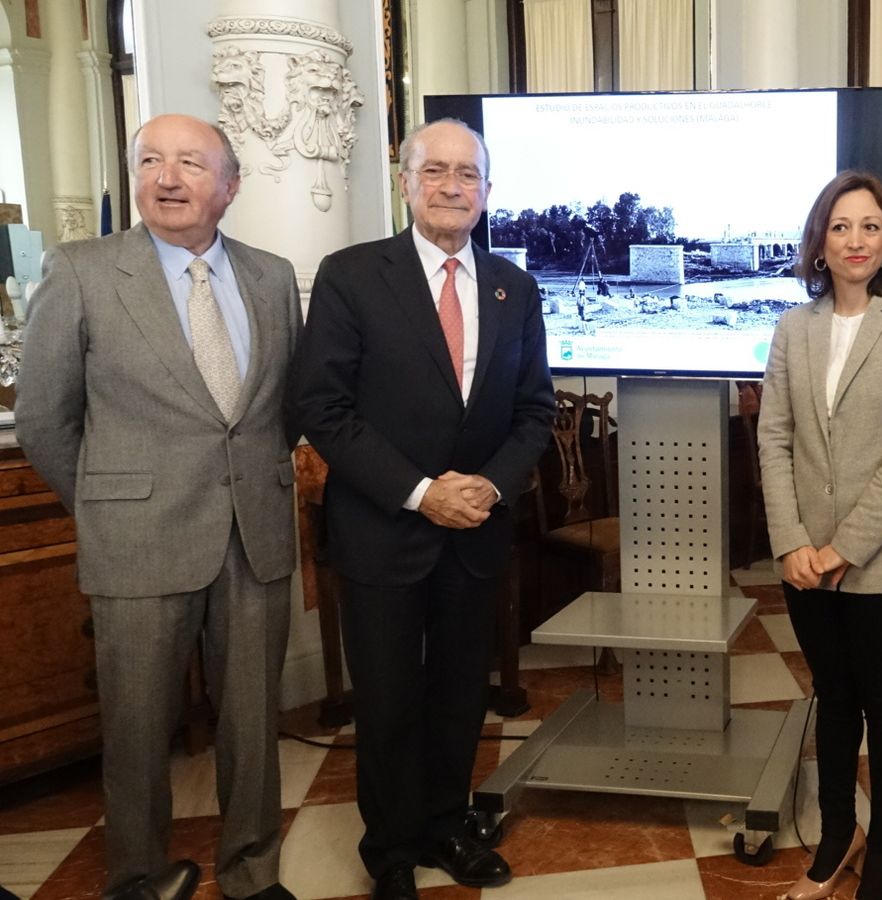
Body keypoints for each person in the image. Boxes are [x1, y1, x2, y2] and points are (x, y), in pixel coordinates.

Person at [15, 113, 302, 900]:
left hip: (256, 536)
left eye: (190, 163)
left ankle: (252, 872)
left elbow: (284, 408)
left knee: (253, 725)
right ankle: (137, 878)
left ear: (230, 187)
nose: (168, 178)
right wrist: (108, 504)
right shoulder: (80, 271)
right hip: (135, 541)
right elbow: (44, 417)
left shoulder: (273, 276)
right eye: (151, 161)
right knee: (138, 728)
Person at [287, 118, 555, 900]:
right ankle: (392, 849)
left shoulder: (516, 286)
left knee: (461, 693)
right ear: (406, 182)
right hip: (383, 530)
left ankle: (447, 824)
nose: (449, 186)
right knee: (391, 696)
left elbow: (535, 410)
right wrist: (420, 492)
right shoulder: (351, 275)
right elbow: (325, 408)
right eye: (433, 171)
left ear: (487, 192)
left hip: (475, 531)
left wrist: (489, 487)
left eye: (466, 175)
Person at [759, 170, 882, 900]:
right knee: (831, 698)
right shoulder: (792, 327)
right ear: (821, 240)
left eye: (870, 226)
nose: (855, 239)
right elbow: (774, 441)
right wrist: (792, 543)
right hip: (804, 561)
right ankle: (836, 838)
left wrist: (844, 548)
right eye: (841, 226)